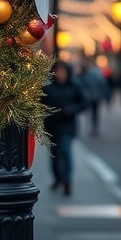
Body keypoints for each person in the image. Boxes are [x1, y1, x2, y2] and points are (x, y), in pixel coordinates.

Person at [43, 61, 88, 196]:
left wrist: (72, 109)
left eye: (63, 71)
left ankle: (67, 181)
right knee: (55, 156)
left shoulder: (74, 87)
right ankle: (58, 179)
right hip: (52, 126)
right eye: (58, 71)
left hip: (67, 126)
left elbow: (84, 102)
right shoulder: (48, 88)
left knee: (66, 152)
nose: (60, 74)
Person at [78, 61, 107, 134]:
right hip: (96, 96)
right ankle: (94, 126)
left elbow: (83, 86)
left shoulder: (86, 76)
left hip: (90, 97)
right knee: (95, 112)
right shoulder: (97, 76)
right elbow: (102, 85)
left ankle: (91, 126)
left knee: (90, 112)